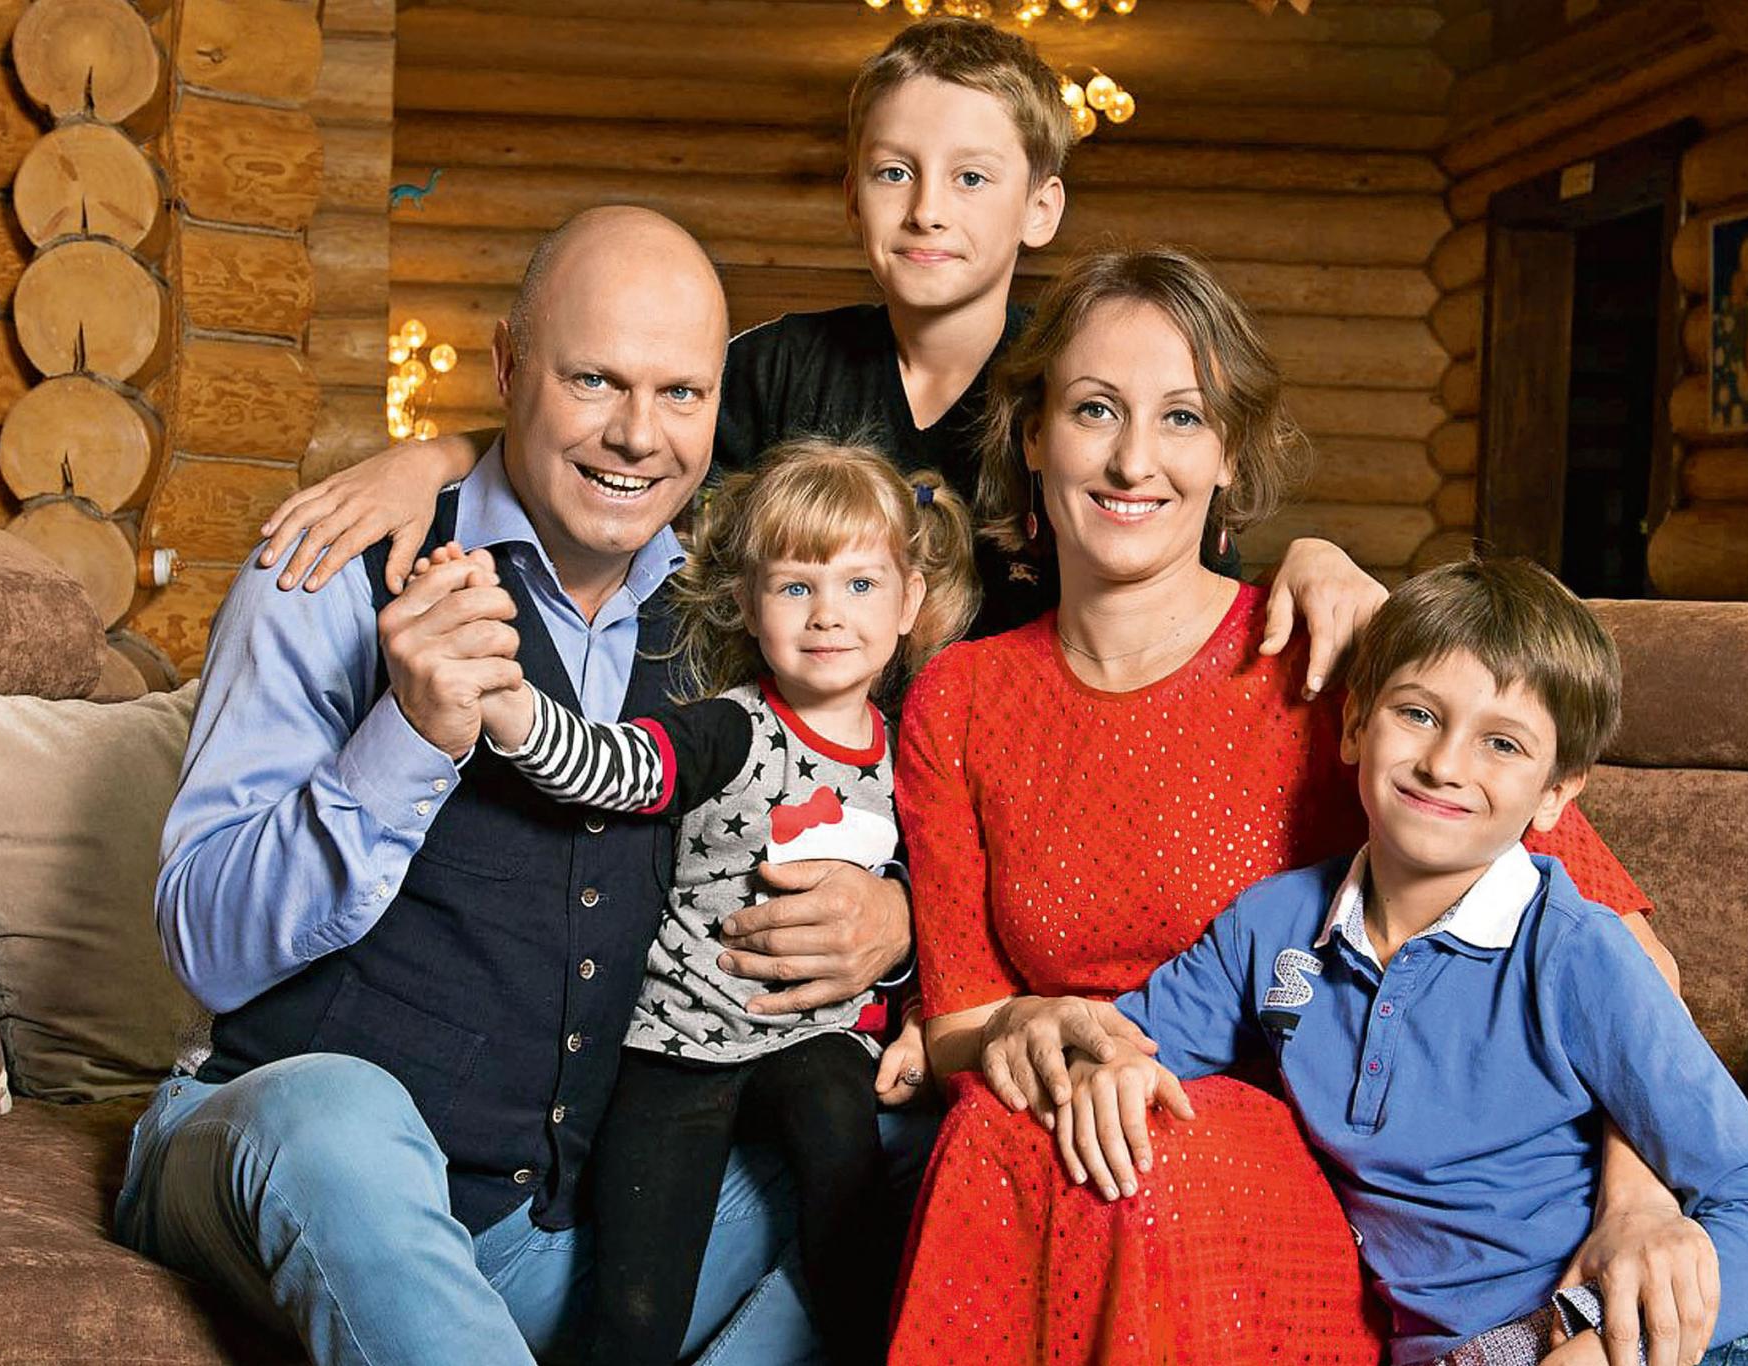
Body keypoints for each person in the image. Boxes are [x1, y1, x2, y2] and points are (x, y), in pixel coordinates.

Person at [120, 207, 917, 1365]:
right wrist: (409, 734)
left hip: (545, 1231)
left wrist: (891, 920)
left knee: (915, 1147)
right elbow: (204, 943)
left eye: (681, 393)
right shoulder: (336, 567)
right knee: (337, 1111)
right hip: (280, 1149)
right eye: (593, 380)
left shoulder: (734, 621)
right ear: (505, 367)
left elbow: (834, 807)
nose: (637, 435)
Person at [887, 245, 1709, 1366]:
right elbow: (956, 1020)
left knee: (1134, 1156)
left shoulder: (1325, 650)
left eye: (1182, 417)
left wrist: (1638, 1200)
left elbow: (1625, 956)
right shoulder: (959, 696)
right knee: (1007, 1121)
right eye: (1093, 409)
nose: (1134, 459)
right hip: (1067, 1112)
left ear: (1229, 451)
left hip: (1306, 1169)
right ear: (1033, 434)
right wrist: (1019, 1024)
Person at [253, 16, 1384, 689]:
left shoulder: (1079, 393)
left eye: (971, 177)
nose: (927, 208)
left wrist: (1318, 555)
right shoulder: (780, 365)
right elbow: (619, 438)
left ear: (1040, 208)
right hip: (785, 756)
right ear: (851, 195)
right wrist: (435, 456)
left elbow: (1190, 555)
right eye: (895, 172)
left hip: (989, 768)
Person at [1043, 558, 1748, 1366]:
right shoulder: (1270, 929)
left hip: (1617, 1344)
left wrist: (1593, 1351)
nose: (1445, 764)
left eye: (1502, 744)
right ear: (1354, 726)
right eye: (1417, 714)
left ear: (1555, 794)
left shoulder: (1575, 952)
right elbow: (1122, 1041)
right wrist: (1093, 1061)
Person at [422, 438, 978, 1365]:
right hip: (679, 1040)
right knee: (637, 1309)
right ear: (750, 605)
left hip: (815, 1038)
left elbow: (945, 902)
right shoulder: (729, 726)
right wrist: (513, 710)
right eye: (795, 587)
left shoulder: (912, 752)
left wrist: (921, 1014)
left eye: (860, 586)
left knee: (848, 1181)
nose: (828, 614)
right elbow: (615, 768)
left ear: (910, 603)